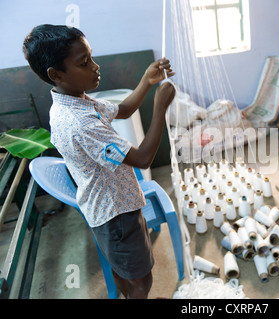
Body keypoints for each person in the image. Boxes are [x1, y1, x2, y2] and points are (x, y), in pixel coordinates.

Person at [23, 24, 176, 298]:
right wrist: (160, 107)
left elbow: (125, 110)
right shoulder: (80, 123)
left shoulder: (74, 101)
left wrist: (147, 80)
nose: (95, 67)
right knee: (142, 280)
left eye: (91, 57)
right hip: (117, 214)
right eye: (84, 63)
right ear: (56, 74)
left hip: (107, 208)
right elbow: (142, 159)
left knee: (122, 269)